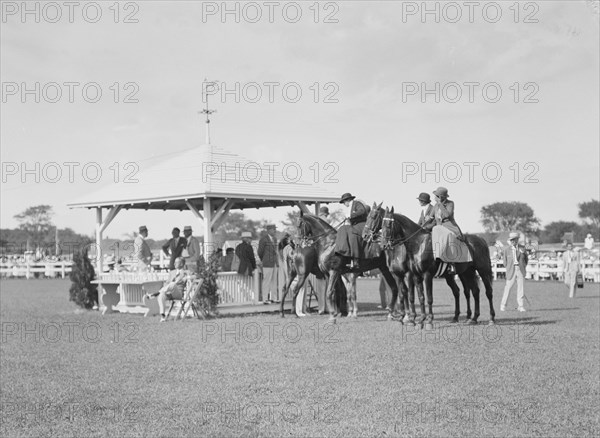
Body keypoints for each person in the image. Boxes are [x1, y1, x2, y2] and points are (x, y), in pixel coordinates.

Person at [430, 187, 471, 265]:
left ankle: (451, 261)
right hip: (439, 226)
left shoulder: (450, 203)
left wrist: (440, 204)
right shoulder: (435, 205)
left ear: (440, 197)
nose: (434, 197)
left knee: (444, 233)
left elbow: (447, 215)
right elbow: (431, 218)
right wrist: (423, 226)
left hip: (449, 225)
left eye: (436, 196)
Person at [334, 192, 369, 269]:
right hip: (354, 225)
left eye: (344, 202)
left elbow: (362, 211)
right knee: (342, 229)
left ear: (348, 200)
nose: (344, 204)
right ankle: (343, 253)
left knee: (352, 235)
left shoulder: (357, 203)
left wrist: (351, 215)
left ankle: (356, 259)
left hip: (362, 225)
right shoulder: (350, 207)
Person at [148, 257, 187, 322]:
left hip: (178, 294)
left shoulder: (185, 272)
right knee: (161, 295)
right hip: (169, 293)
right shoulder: (172, 272)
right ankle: (163, 316)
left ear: (181, 264)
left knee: (173, 284)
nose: (174, 263)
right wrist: (165, 290)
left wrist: (187, 277)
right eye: (174, 262)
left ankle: (157, 293)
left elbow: (196, 276)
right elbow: (166, 283)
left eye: (176, 262)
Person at [500, 232, 529, 312]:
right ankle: (503, 305)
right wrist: (509, 268)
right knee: (508, 288)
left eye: (515, 239)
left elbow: (526, 260)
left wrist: (522, 266)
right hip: (511, 270)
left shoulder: (523, 248)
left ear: (517, 239)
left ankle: (521, 305)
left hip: (520, 270)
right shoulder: (506, 250)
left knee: (521, 289)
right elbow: (504, 262)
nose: (513, 241)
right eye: (512, 240)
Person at [258, 224, 279, 304]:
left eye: (275, 229)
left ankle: (274, 298)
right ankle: (265, 299)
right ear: (269, 230)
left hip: (274, 263)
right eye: (274, 229)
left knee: (274, 281)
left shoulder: (275, 239)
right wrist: (264, 259)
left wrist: (277, 262)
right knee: (266, 281)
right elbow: (260, 252)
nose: (275, 231)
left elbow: (276, 252)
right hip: (267, 263)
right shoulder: (263, 239)